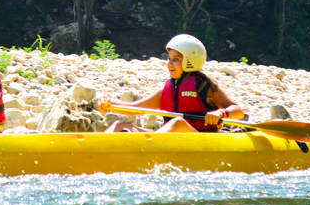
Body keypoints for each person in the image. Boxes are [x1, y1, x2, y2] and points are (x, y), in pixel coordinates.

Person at [96, 34, 244, 133]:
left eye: (176, 59)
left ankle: (149, 147)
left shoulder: (206, 87)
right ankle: (94, 153)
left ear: (190, 61)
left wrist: (220, 112)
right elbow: (136, 108)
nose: (169, 64)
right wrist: (111, 104)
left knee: (177, 123)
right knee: (119, 125)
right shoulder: (168, 89)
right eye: (169, 58)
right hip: (167, 141)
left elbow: (238, 110)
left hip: (200, 141)